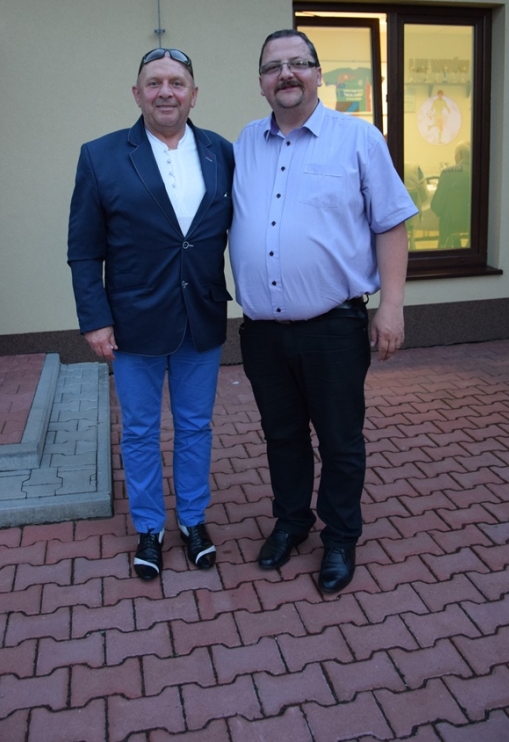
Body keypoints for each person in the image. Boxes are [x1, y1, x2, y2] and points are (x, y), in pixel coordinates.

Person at [229, 29, 418, 594]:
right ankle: (292, 523)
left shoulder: (358, 138)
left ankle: (340, 536)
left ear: (318, 74)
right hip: (263, 332)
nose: (286, 74)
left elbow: (391, 224)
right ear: (261, 82)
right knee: (282, 436)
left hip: (334, 326)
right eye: (273, 67)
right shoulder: (244, 143)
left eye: (298, 63)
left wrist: (392, 306)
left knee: (340, 439)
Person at [68, 48, 234, 581]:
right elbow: (83, 250)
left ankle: (193, 521)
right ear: (137, 93)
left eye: (177, 82)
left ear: (194, 94)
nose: (167, 91)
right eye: (155, 82)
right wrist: (95, 319)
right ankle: (148, 528)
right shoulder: (101, 156)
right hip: (133, 323)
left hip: (200, 318)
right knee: (140, 431)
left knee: (195, 427)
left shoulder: (222, 152)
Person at [430, 141, 471, 249]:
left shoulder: (448, 172)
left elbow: (437, 204)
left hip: (451, 224)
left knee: (446, 215)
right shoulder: (479, 172)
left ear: (459, 154)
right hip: (474, 223)